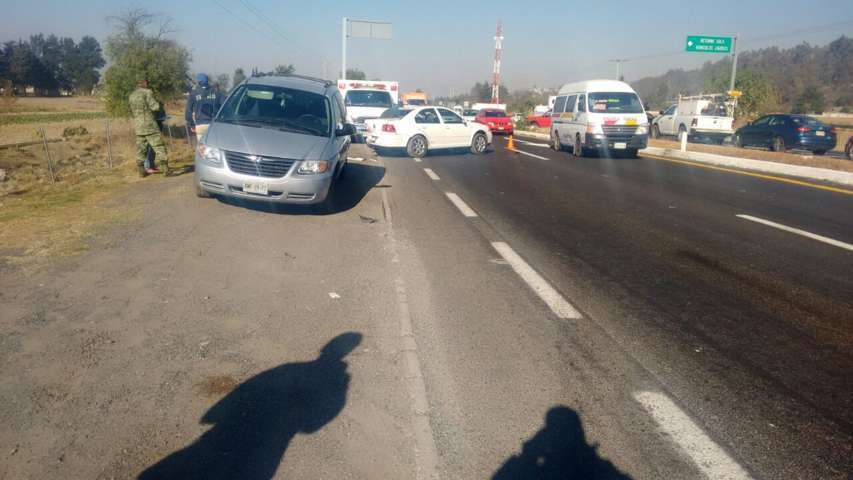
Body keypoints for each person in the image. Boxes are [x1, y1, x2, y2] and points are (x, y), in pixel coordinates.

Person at [129, 78, 169, 177]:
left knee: (141, 149)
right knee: (159, 146)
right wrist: (160, 105)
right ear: (144, 83)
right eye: (147, 82)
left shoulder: (132, 95)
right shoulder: (148, 92)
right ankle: (165, 169)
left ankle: (141, 171)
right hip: (150, 125)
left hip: (138, 126)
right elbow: (154, 107)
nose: (148, 84)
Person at [185, 73, 224, 147]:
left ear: (198, 82)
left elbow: (188, 112)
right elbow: (224, 107)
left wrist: (192, 125)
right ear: (208, 81)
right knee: (213, 148)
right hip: (214, 125)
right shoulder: (217, 93)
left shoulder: (193, 94)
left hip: (200, 125)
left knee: (202, 149)